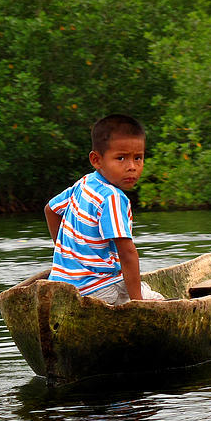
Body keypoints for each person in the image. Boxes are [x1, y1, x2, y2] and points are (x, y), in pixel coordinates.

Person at [44, 113, 165, 304]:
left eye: (138, 158)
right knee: (160, 301)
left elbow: (50, 210)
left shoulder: (84, 183)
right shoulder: (112, 198)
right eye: (121, 158)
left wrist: (68, 258)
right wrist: (138, 304)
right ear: (96, 160)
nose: (132, 167)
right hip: (100, 291)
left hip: (62, 288)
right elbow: (127, 254)